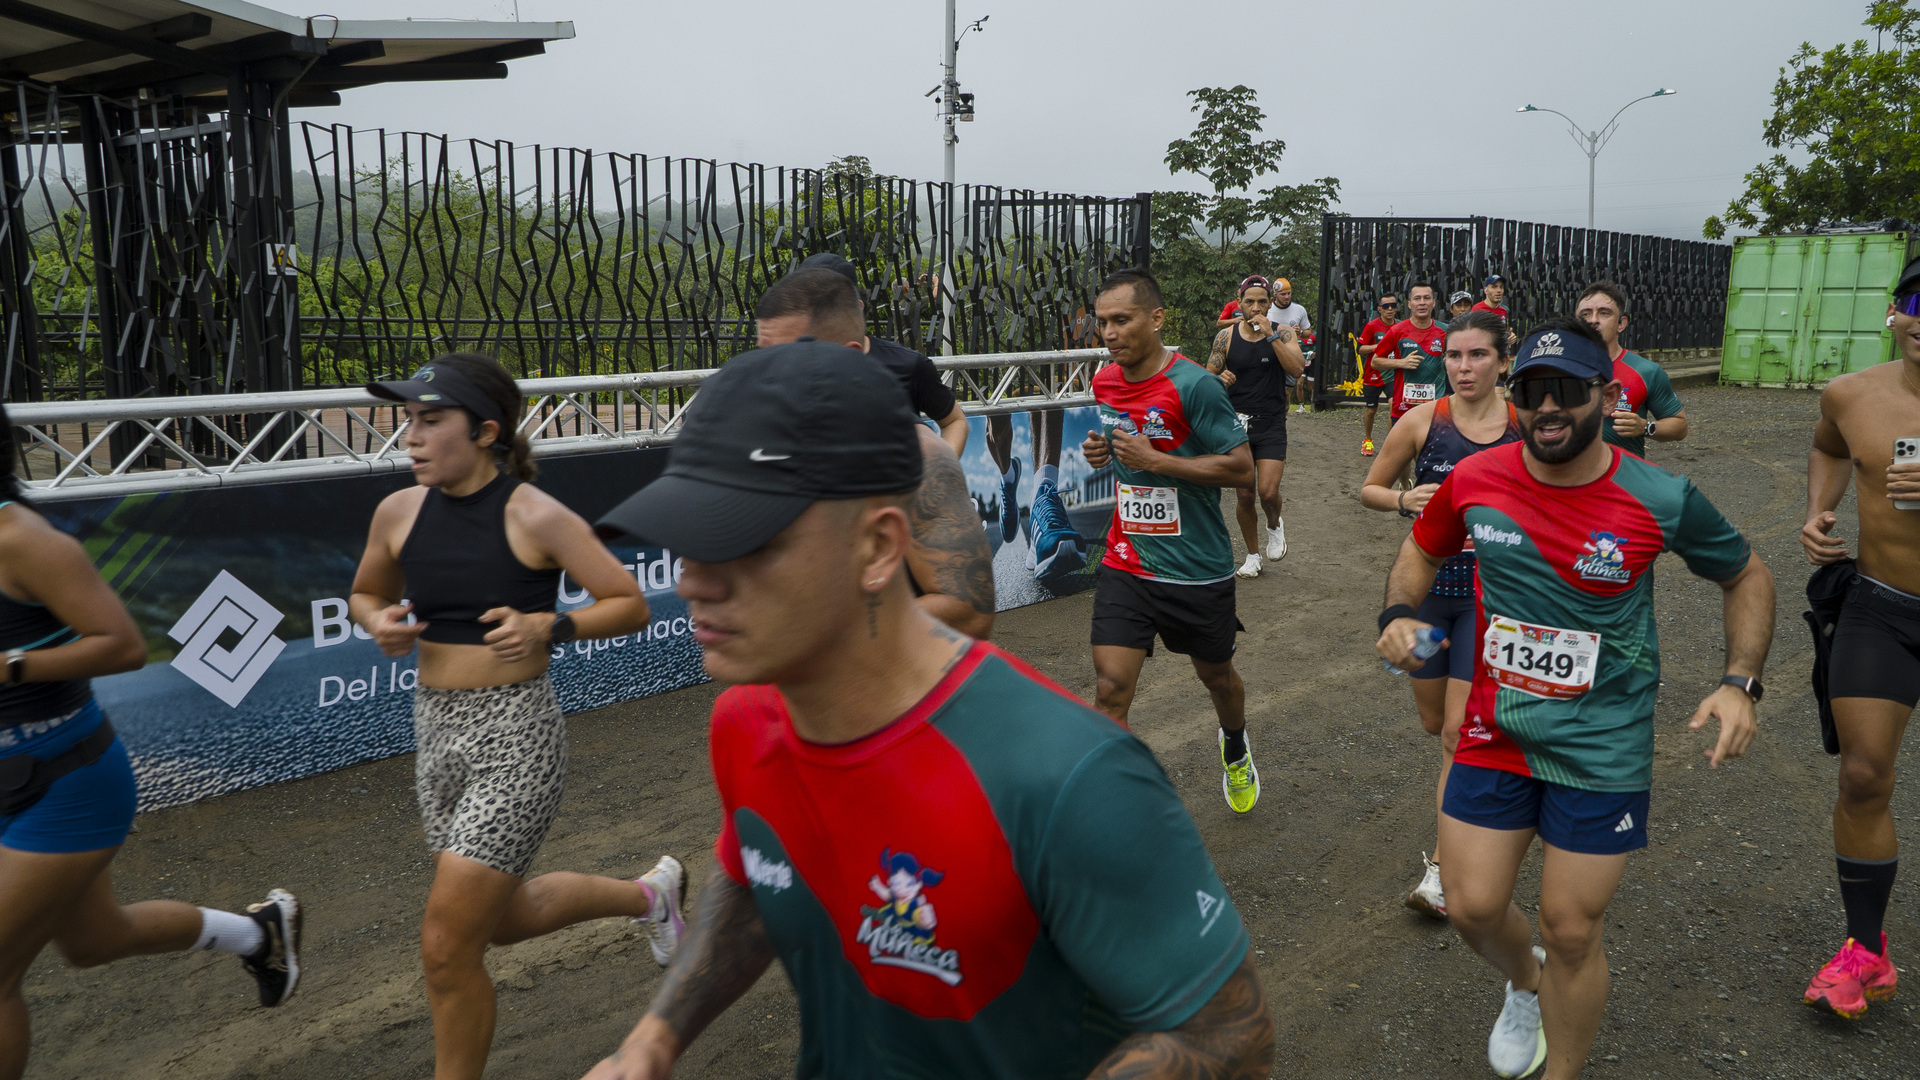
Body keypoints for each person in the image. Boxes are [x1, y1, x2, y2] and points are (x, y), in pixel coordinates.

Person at [583, 339, 1273, 1080]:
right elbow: (755, 865)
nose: (692, 581)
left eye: (741, 540)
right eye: (685, 537)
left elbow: (1229, 1036)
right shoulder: (744, 721)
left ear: (879, 549)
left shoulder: (1068, 775)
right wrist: (652, 1040)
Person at [1377, 317, 1775, 1080]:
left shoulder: (1658, 495)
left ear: (1606, 394)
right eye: (1533, 391)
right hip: (1498, 729)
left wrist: (1740, 683)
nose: (1548, 407)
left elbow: (1747, 574)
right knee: (1470, 905)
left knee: (1569, 928)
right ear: (1515, 397)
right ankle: (1526, 982)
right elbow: (1421, 549)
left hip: (1602, 743)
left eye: (1567, 389)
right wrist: (1397, 614)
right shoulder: (1477, 478)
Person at [352, 353, 684, 1080]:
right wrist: (378, 621)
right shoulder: (398, 512)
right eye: (408, 419)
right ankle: (650, 896)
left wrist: (549, 627)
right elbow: (365, 593)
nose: (410, 435)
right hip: (434, 730)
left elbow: (628, 603)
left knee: (446, 946)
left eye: (430, 419)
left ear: (485, 431)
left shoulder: (535, 514)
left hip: (516, 738)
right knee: (500, 921)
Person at [0, 408, 303, 1080]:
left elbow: (123, 645)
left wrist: (12, 665)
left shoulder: (22, 539)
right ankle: (257, 934)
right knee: (93, 941)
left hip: (64, 783)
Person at [1079, 270, 1262, 814]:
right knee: (1110, 689)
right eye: (1102, 322)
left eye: (1121, 320)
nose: (1109, 333)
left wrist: (1157, 461)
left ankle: (1235, 745)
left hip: (1196, 569)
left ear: (1156, 318)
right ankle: (1114, 806)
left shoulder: (1195, 386)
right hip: (1127, 560)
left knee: (1217, 677)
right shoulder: (1105, 383)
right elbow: (1124, 445)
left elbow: (1241, 469)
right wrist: (1103, 452)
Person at [1359, 311, 1520, 921]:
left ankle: (1445, 873)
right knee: (1434, 724)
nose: (1464, 367)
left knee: (1456, 732)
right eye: (1454, 355)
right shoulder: (1423, 420)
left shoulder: (1524, 426)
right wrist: (1405, 498)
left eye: (1478, 355)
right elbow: (1370, 489)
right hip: (1429, 588)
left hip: (1491, 596)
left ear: (1502, 361)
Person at [1797, 254, 1920, 1019]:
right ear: (1895, 311)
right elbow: (1830, 446)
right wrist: (1819, 509)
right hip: (1882, 607)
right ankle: (1866, 949)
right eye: (1917, 299)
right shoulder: (1851, 394)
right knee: (1864, 775)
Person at [755, 269, 999, 631]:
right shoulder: (759, 442)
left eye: (789, 358)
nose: (767, 374)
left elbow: (968, 608)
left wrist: (830, 631)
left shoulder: (917, 459)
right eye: (762, 357)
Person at [786, 254, 968, 456]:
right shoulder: (788, 366)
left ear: (856, 307)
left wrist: (940, 472)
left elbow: (954, 421)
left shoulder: (907, 363)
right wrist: (935, 282)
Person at [1204, 275, 1305, 577]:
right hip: (1237, 425)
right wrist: (1218, 378)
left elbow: (1297, 368)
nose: (1256, 308)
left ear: (1271, 303)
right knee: (1245, 495)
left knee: (1268, 492)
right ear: (1239, 303)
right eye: (1250, 302)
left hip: (1271, 422)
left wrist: (1271, 335)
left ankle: (1274, 524)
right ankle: (1252, 555)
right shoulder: (1226, 337)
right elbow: (1207, 376)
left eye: (1262, 302)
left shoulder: (1283, 332)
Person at [1573, 281, 1688, 458]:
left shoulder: (1646, 371)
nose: (1593, 320)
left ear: (1621, 323)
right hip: (1567, 473)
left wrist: (1645, 427)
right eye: (1586, 314)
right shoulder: (1556, 368)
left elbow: (1680, 427)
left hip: (1623, 473)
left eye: (1604, 313)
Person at [1373, 282, 1449, 426]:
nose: (1422, 303)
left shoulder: (1445, 331)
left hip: (1435, 406)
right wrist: (1401, 362)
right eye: (1417, 298)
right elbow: (1375, 361)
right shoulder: (1397, 330)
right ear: (1409, 304)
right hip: (1404, 407)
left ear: (1433, 303)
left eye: (1426, 298)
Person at [1358, 293, 1399, 456]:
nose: (1390, 309)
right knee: (1371, 410)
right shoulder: (1372, 326)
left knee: (1393, 405)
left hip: (1392, 373)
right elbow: (1360, 349)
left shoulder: (1400, 326)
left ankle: (1391, 445)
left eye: (1393, 306)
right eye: (1386, 306)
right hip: (1373, 374)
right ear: (1379, 309)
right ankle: (1368, 440)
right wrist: (1379, 346)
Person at [1267, 277, 1315, 413]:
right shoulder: (1268, 310)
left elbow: (1308, 332)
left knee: (1286, 391)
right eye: (1283, 294)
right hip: (1271, 353)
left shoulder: (1299, 310)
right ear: (1275, 294)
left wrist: (1300, 332)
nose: (1287, 297)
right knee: (1270, 389)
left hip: (1290, 354)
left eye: (1289, 293)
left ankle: (1283, 416)